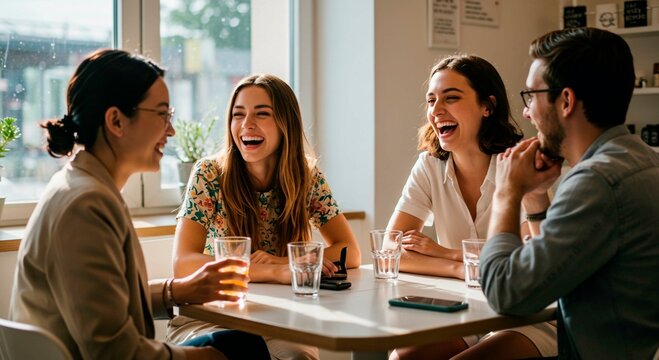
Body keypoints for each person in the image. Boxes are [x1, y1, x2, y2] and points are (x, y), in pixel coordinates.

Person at [9, 49, 270, 360]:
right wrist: (205, 359)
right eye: (162, 115)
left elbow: (102, 302)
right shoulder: (85, 206)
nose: (171, 130)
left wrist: (176, 290)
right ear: (117, 121)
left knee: (243, 343)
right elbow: (113, 352)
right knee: (239, 350)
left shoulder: (80, 186)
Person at [480, 27, 659, 359]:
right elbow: (558, 265)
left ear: (565, 100)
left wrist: (507, 192)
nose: (526, 112)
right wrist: (535, 201)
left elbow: (505, 290)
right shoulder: (645, 160)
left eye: (531, 96)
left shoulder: (596, 182)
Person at [167, 73, 362, 360]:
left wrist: (285, 263)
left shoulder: (306, 177)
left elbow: (350, 251)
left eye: (262, 114)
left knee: (298, 357)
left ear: (286, 124)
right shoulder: (209, 174)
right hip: (213, 314)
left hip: (281, 319)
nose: (246, 124)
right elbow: (183, 264)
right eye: (238, 114)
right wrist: (274, 271)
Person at [387, 55, 557, 359]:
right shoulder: (430, 166)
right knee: (402, 357)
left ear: (487, 106)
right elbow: (390, 250)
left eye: (451, 98)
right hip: (467, 308)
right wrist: (458, 267)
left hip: (529, 317)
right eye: (431, 100)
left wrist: (445, 253)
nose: (437, 111)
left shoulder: (520, 164)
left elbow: (521, 266)